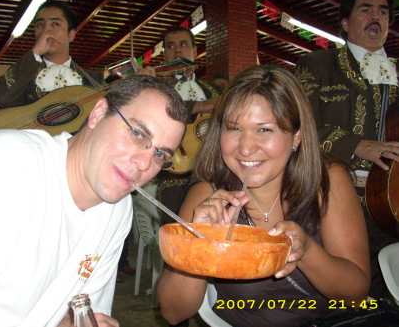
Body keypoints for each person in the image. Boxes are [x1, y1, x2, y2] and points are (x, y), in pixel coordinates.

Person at [0, 75, 188, 327]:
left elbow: (75, 314)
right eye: (138, 134)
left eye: (160, 154)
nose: (144, 163)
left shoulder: (117, 210)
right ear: (98, 114)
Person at [157, 65, 370, 327]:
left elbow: (356, 296)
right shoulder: (206, 195)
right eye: (234, 128)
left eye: (264, 130)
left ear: (296, 137)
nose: (246, 148)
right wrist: (201, 243)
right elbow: (173, 312)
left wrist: (305, 250)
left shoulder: (328, 180)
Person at [295, 0, 398, 299]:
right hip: (338, 195)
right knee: (344, 287)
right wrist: (356, 145)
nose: (375, 16)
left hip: (395, 199)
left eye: (382, 11)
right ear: (344, 22)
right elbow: (296, 121)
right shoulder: (318, 64)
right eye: (366, 10)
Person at [137, 26, 222, 219]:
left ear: (194, 51)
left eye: (183, 45)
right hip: (172, 179)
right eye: (170, 46)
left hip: (214, 175)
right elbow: (155, 114)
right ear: (165, 54)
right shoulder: (157, 88)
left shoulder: (214, 90)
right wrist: (201, 106)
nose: (177, 50)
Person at [0, 0, 105, 109]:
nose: (46, 30)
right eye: (40, 25)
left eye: (55, 24)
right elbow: (1, 100)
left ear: (71, 35)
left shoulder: (95, 80)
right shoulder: (23, 74)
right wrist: (35, 53)